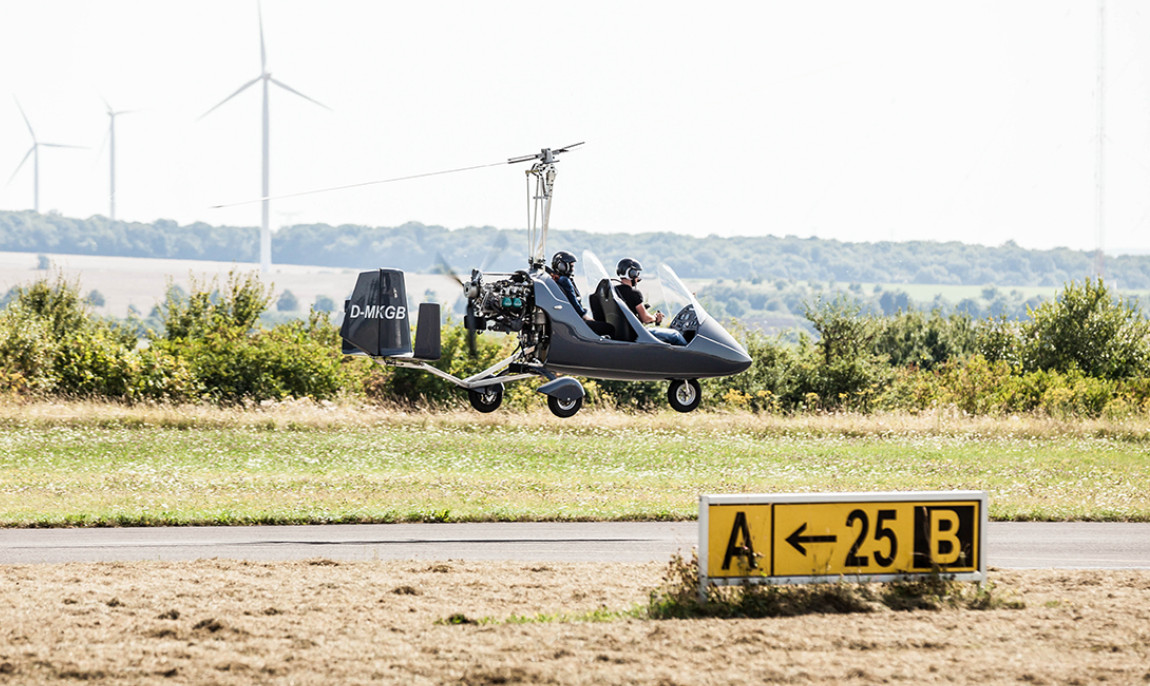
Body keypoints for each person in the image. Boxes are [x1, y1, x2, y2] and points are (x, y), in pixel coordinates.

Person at [614, 258, 687, 346]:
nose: (638, 277)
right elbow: (645, 318)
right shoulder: (633, 293)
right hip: (635, 335)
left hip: (622, 334)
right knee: (675, 335)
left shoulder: (614, 291)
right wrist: (656, 318)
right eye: (637, 273)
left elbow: (628, 317)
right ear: (631, 274)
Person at [549, 251, 614, 337]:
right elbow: (574, 303)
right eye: (571, 266)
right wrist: (585, 316)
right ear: (562, 266)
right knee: (609, 328)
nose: (573, 269)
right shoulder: (565, 281)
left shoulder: (557, 280)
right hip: (577, 322)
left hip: (570, 320)